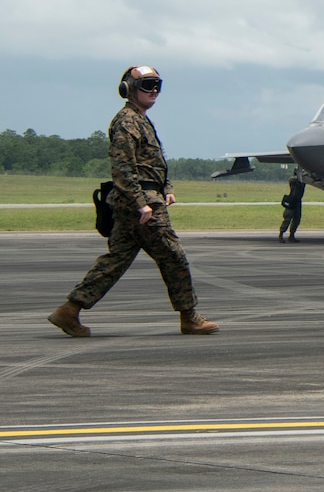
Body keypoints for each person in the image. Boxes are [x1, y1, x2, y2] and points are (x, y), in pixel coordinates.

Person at [47, 66, 219, 337]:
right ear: (128, 89)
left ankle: (69, 310)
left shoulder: (140, 120)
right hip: (140, 205)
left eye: (157, 86)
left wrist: (167, 188)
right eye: (147, 85)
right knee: (174, 256)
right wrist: (142, 203)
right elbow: (123, 169)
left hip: (145, 200)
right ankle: (189, 317)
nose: (153, 91)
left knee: (115, 261)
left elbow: (154, 162)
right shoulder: (127, 121)